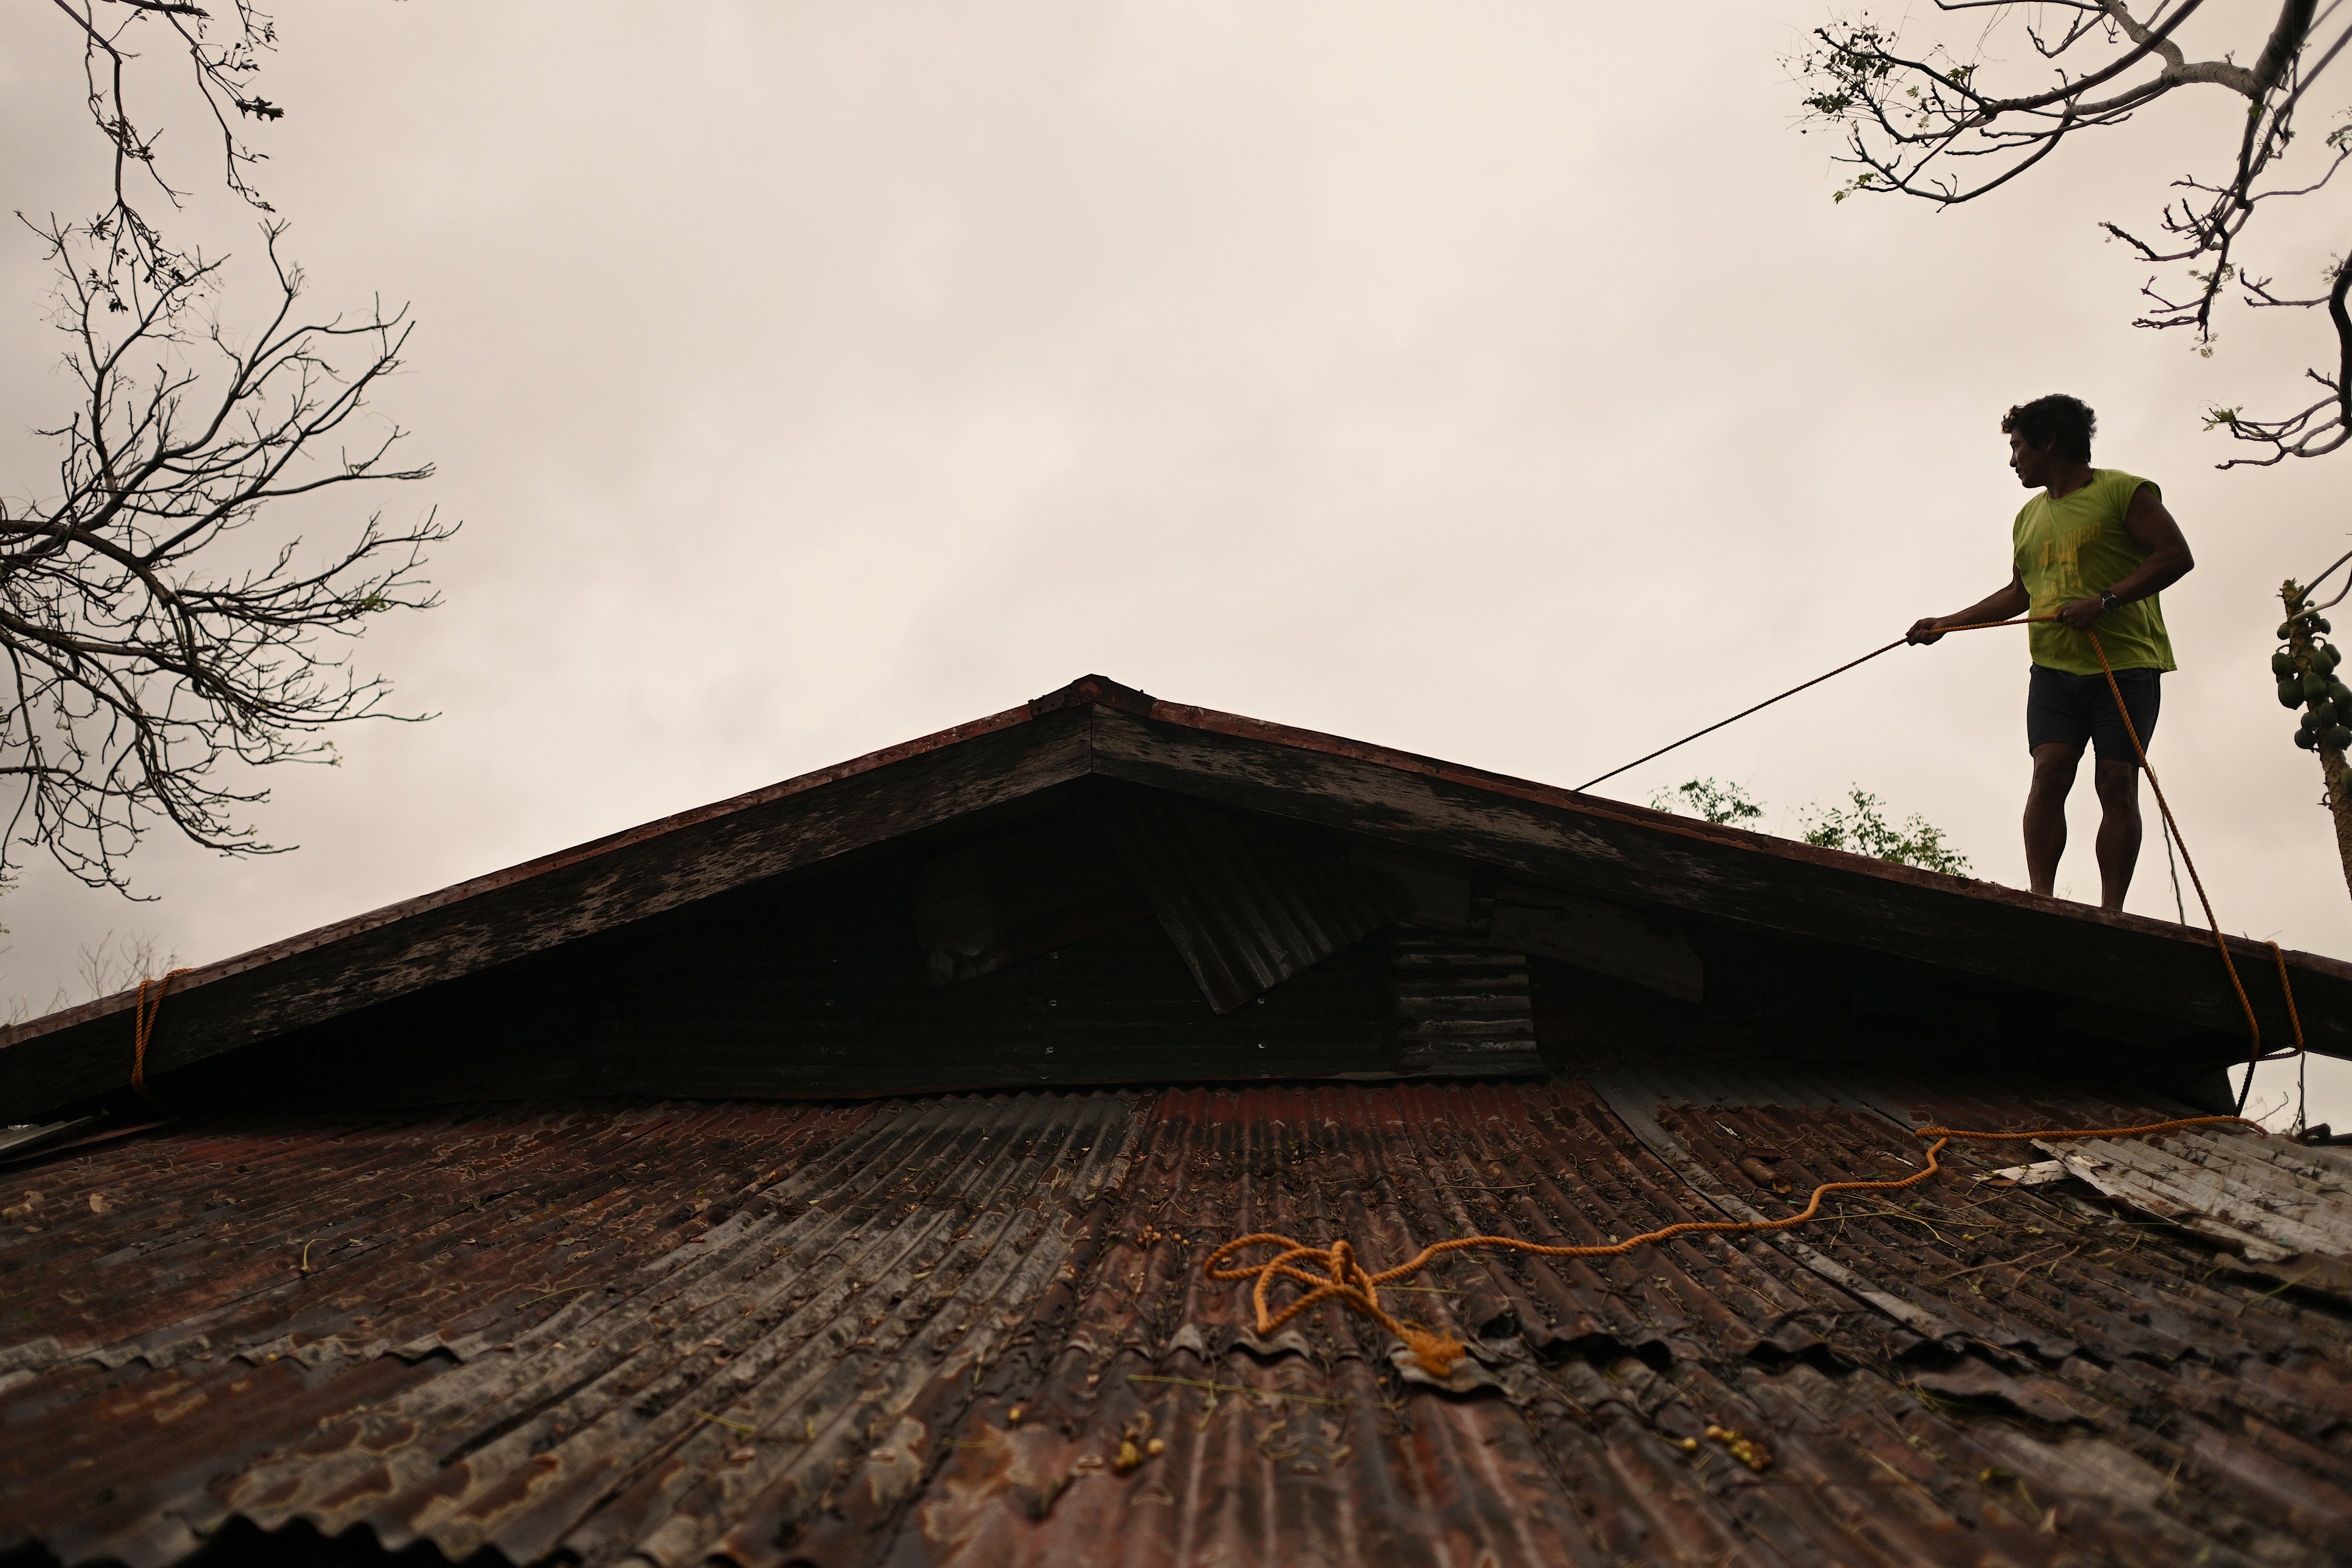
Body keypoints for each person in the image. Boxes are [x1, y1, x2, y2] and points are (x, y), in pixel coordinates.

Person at [1908, 394, 2195, 912]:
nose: (2013, 459)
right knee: (2050, 773)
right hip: (2054, 671)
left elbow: (2176, 556)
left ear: (2048, 443)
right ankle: (2042, 900)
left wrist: (2104, 603)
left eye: (2018, 447)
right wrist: (1946, 624)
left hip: (2126, 665)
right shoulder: (2027, 518)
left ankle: (2112, 912)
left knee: (2116, 781)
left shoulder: (2123, 492)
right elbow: (2019, 594)